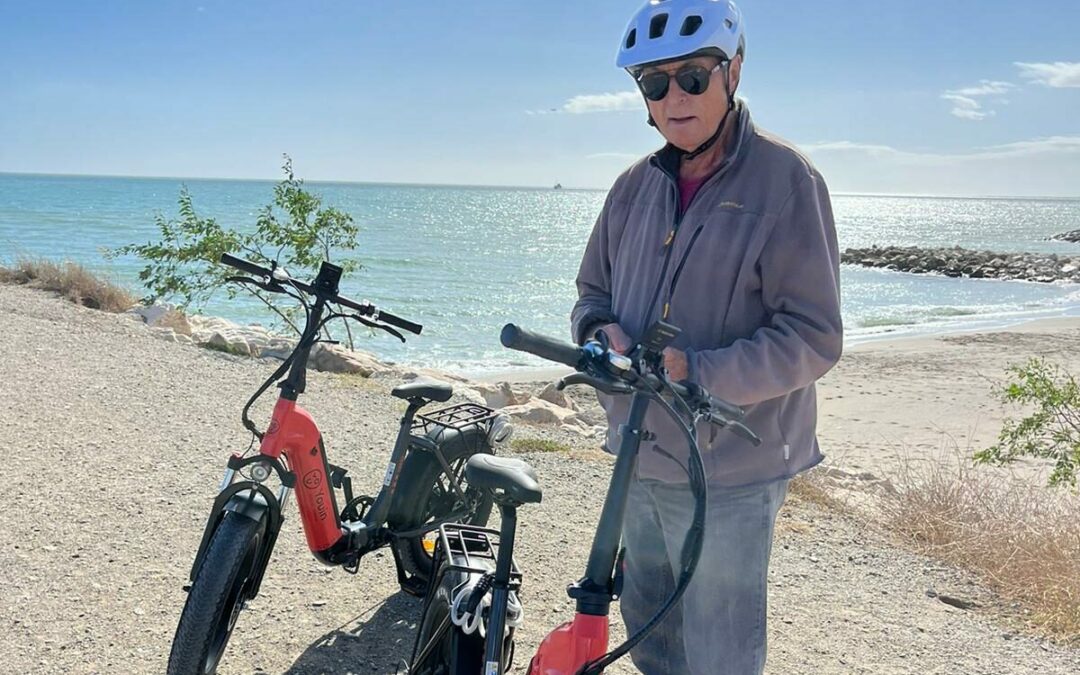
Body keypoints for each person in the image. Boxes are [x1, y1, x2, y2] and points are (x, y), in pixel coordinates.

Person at [570, 1, 843, 673]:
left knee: (720, 652)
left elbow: (814, 335)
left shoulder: (787, 181)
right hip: (638, 452)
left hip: (731, 469)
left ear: (734, 71)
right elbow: (590, 296)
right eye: (654, 83)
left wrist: (701, 371)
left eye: (692, 76)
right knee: (651, 633)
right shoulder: (632, 188)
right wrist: (603, 334)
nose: (674, 97)